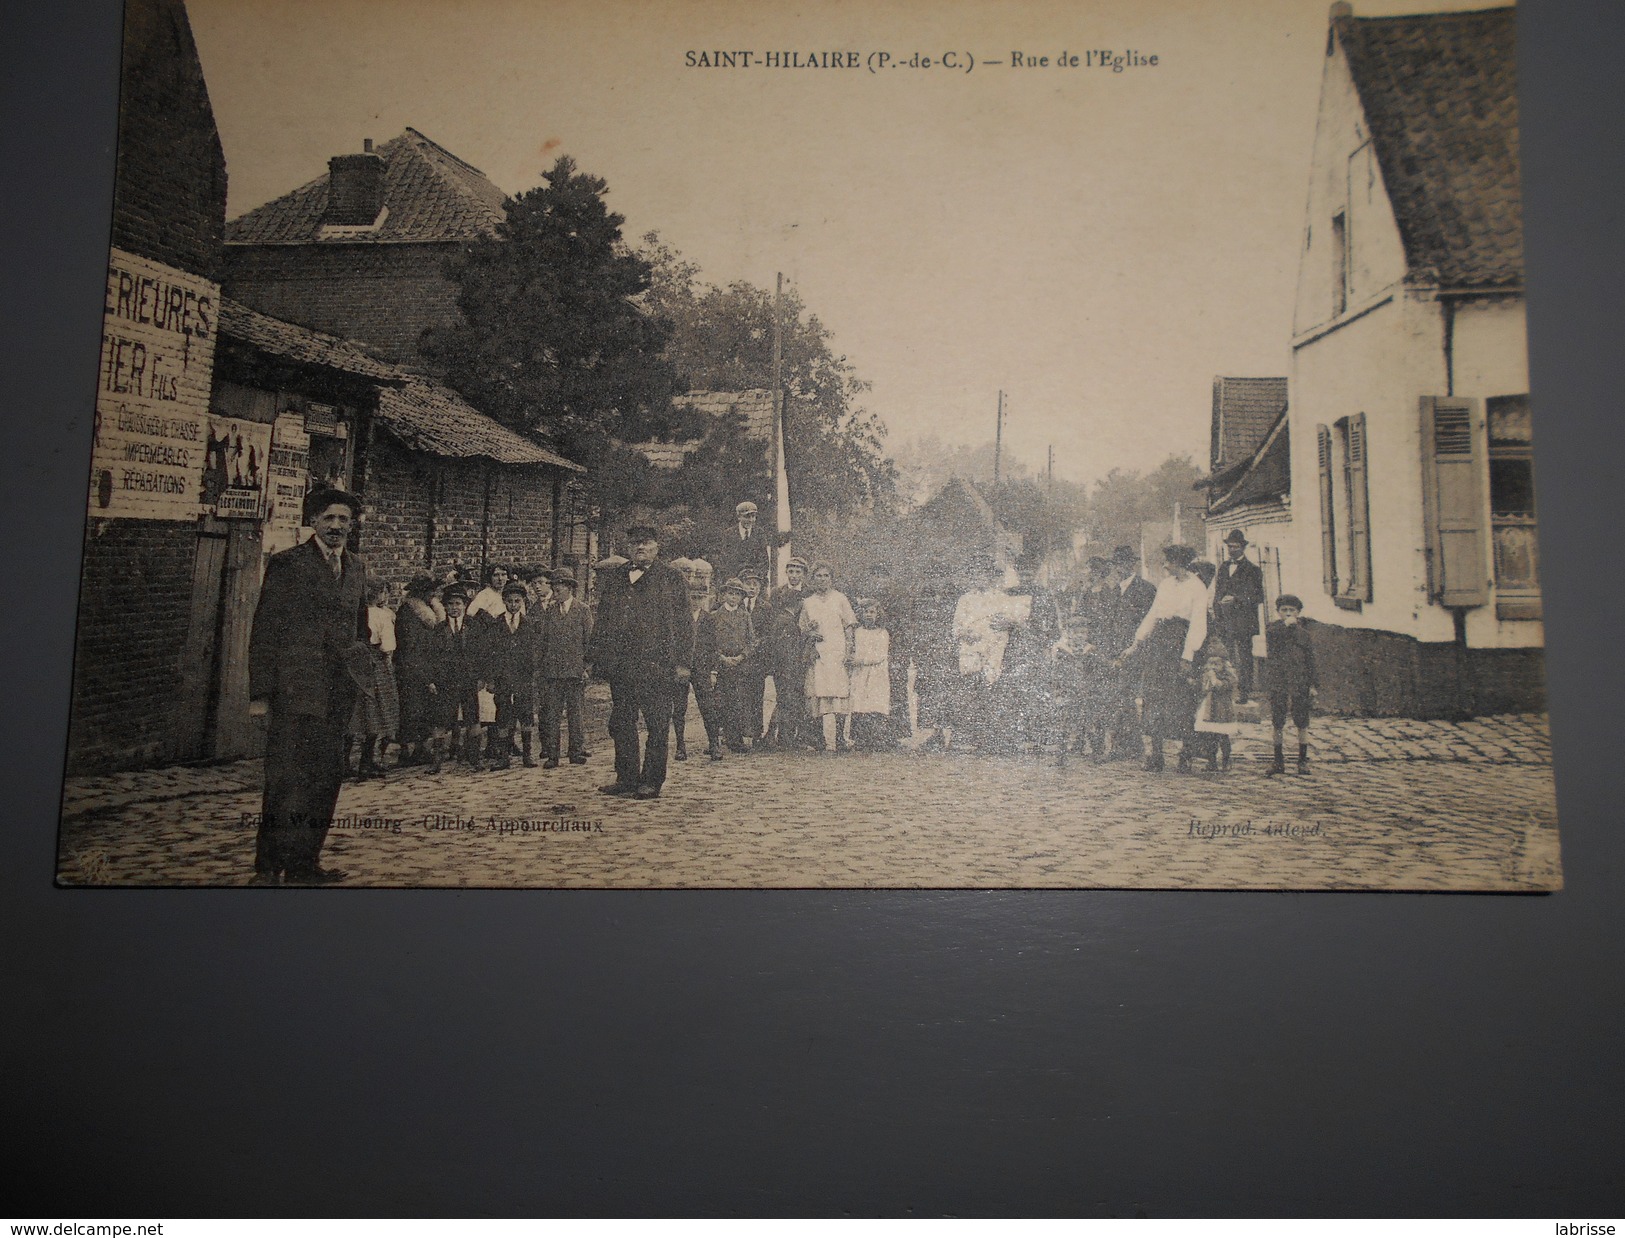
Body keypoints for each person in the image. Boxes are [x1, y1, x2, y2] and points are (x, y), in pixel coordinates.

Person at [245, 486, 370, 885]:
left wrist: (361, 676)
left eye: (344, 519)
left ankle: (304, 863)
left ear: (352, 526)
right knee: (285, 779)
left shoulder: (357, 568)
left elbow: (360, 629)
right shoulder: (288, 565)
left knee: (325, 779)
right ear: (313, 521)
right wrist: (260, 696)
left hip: (337, 695)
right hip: (295, 692)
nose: (336, 526)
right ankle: (267, 868)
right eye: (329, 518)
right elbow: (265, 630)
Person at [589, 524, 693, 800]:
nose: (640, 547)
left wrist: (683, 663)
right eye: (635, 543)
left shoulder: (672, 578)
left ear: (657, 546)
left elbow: (684, 624)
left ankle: (651, 781)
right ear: (628, 547)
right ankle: (626, 778)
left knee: (657, 724)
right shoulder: (616, 577)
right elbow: (603, 620)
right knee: (622, 722)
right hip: (622, 665)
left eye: (646, 542)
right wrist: (598, 658)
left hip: (658, 665)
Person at [1119, 543, 1208, 773]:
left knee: (1182, 700)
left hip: (1181, 643)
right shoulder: (1166, 584)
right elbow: (1153, 615)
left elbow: (1199, 623)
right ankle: (1156, 754)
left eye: (1169, 561)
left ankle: (1185, 755)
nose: (1165, 565)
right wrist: (1136, 643)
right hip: (1160, 643)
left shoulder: (1197, 587)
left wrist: (1188, 656)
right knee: (1154, 697)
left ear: (1180, 562)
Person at [996, 551, 1063, 755]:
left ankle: (1038, 737)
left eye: (1029, 571)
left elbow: (1054, 631)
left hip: (1034, 652)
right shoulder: (1007, 595)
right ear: (1016, 571)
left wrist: (1034, 637)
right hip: (1012, 652)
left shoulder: (1044, 596)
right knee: (1013, 694)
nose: (1025, 575)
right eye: (1021, 571)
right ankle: (1016, 737)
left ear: (1035, 572)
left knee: (1037, 695)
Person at [951, 552, 1015, 751]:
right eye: (975, 574)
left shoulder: (1001, 598)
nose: (980, 579)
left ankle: (991, 738)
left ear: (990, 576)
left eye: (984, 574)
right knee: (970, 693)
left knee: (991, 691)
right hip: (971, 648)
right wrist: (965, 633)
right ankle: (968, 737)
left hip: (994, 649)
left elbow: (1008, 622)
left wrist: (1006, 624)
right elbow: (956, 626)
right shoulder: (965, 599)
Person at [1100, 545, 1157, 761]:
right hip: (1116, 652)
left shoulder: (1146, 589)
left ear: (1132, 564)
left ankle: (1123, 746)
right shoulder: (1114, 589)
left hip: (1137, 651)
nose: (1120, 568)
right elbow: (1110, 623)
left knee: (1124, 696)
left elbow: (1150, 623)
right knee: (1121, 697)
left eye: (1124, 563)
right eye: (1116, 564)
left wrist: (1136, 648)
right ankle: (1131, 745)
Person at [799, 562, 859, 752]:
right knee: (818, 691)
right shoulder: (808, 602)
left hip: (837, 650)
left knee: (839, 691)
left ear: (831, 579)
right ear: (812, 579)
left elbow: (849, 625)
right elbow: (802, 627)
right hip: (818, 652)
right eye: (818, 576)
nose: (822, 579)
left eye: (826, 576)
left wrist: (849, 650)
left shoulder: (840, 599)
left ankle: (840, 739)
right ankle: (819, 739)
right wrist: (809, 633)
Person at [695, 577, 759, 754]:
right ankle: (714, 741)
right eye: (730, 594)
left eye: (737, 595)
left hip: (739, 665)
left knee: (737, 702)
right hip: (720, 666)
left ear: (741, 598)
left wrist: (741, 656)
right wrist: (721, 657)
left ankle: (735, 739)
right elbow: (708, 642)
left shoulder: (745, 617)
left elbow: (752, 641)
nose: (733, 598)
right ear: (723, 595)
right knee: (718, 703)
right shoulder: (714, 616)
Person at [345, 576, 400, 780]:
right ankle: (366, 763)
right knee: (377, 714)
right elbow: (387, 646)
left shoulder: (355, 612)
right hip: (375, 665)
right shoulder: (381, 615)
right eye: (384, 592)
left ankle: (345, 762)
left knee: (355, 715)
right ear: (378, 594)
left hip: (354, 666)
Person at [537, 566, 592, 769]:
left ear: (569, 587)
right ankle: (553, 755)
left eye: (559, 586)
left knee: (575, 714)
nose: (556, 590)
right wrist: (541, 668)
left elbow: (590, 642)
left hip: (575, 672)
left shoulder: (582, 610)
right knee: (552, 714)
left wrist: (586, 668)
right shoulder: (550, 611)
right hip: (553, 672)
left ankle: (575, 751)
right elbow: (543, 641)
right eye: (554, 586)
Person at [484, 580, 541, 769]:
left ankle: (527, 755)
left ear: (523, 601)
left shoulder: (529, 624)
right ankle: (503, 757)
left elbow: (535, 653)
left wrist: (533, 676)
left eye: (517, 601)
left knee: (525, 714)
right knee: (503, 716)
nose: (514, 605)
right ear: (504, 601)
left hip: (523, 678)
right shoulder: (495, 624)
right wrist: (491, 679)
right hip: (503, 678)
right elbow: (490, 653)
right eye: (510, 601)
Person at [392, 573, 445, 772]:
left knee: (425, 709)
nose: (433, 594)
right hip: (411, 667)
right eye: (430, 590)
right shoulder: (409, 612)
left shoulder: (431, 609)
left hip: (428, 666)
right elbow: (409, 645)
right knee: (411, 709)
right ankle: (407, 751)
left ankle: (420, 748)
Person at [1262, 594, 1318, 776]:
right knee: (1277, 721)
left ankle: (1302, 761)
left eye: (1291, 610)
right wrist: (1285, 628)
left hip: (1299, 681)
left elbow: (1310, 660)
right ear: (1278, 612)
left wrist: (1313, 684)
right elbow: (1271, 643)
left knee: (1302, 721)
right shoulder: (1272, 630)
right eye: (1284, 610)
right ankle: (1278, 761)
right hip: (1279, 681)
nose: (1288, 613)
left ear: (1298, 612)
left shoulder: (1304, 634)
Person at [761, 556, 811, 749]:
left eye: (798, 572)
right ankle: (779, 735)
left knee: (799, 694)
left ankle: (792, 736)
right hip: (783, 652)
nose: (794, 575)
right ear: (786, 573)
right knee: (785, 695)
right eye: (791, 571)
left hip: (803, 651)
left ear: (804, 575)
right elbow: (771, 621)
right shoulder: (776, 593)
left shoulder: (809, 593)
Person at [435, 580, 487, 769]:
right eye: (450, 604)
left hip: (468, 680)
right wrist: (433, 680)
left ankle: (475, 758)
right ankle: (437, 761)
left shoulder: (474, 626)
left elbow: (482, 653)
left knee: (472, 718)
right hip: (446, 681)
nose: (454, 608)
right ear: (445, 606)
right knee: (441, 719)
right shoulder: (439, 629)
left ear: (465, 605)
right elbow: (432, 656)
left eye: (458, 604)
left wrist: (481, 677)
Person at [1211, 529, 1265, 702]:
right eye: (1229, 547)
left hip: (1244, 622)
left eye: (1235, 547)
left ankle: (1244, 692)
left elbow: (1258, 597)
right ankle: (1226, 691)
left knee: (1244, 658)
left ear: (1243, 547)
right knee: (1226, 656)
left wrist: (1236, 599)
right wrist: (1217, 613)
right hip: (1225, 621)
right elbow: (1218, 593)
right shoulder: (1224, 567)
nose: (1232, 550)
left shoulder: (1253, 570)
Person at [847, 598, 892, 751]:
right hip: (860, 673)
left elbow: (880, 656)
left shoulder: (882, 633)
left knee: (874, 703)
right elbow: (854, 649)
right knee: (859, 703)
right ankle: (860, 739)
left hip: (876, 673)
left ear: (878, 615)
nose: (868, 615)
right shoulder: (858, 632)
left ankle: (875, 739)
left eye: (872, 612)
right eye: (866, 612)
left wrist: (861, 660)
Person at [1192, 643, 1241, 772]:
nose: (1213, 667)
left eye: (1217, 664)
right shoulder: (1206, 676)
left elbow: (1221, 686)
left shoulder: (1228, 677)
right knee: (1210, 737)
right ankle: (1211, 761)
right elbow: (1203, 690)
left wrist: (1214, 679)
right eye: (1211, 664)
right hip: (1209, 710)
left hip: (1221, 711)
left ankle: (1226, 760)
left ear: (1224, 665)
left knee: (1223, 736)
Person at [715, 500, 773, 585]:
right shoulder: (729, 534)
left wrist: (754, 578)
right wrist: (734, 580)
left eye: (753, 516)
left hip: (754, 580)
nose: (750, 520)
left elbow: (764, 561)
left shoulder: (760, 534)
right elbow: (724, 561)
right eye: (747, 517)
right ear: (739, 517)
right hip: (734, 581)